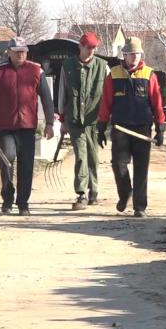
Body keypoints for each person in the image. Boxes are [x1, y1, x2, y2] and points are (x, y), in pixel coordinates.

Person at [0, 37, 55, 216]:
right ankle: (7, 197)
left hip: (28, 126)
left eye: (23, 51)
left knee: (26, 165)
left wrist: (50, 123)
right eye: (17, 51)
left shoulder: (36, 70)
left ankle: (23, 203)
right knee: (7, 158)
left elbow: (46, 98)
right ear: (9, 52)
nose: (21, 54)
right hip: (6, 126)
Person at [97, 36, 166, 217]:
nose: (134, 57)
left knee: (141, 168)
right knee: (118, 165)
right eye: (130, 54)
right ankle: (125, 192)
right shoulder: (113, 75)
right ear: (124, 55)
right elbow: (106, 102)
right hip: (120, 128)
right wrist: (101, 126)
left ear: (140, 54)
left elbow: (157, 103)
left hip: (143, 128)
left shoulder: (149, 75)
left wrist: (160, 127)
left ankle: (140, 207)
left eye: (137, 54)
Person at [60, 31, 109, 210]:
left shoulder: (103, 67)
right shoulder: (67, 66)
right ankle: (81, 194)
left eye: (94, 48)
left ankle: (93, 191)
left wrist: (107, 119)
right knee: (81, 156)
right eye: (87, 48)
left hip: (94, 120)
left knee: (93, 156)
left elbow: (108, 95)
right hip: (74, 119)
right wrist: (62, 119)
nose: (90, 51)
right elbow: (62, 93)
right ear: (80, 47)